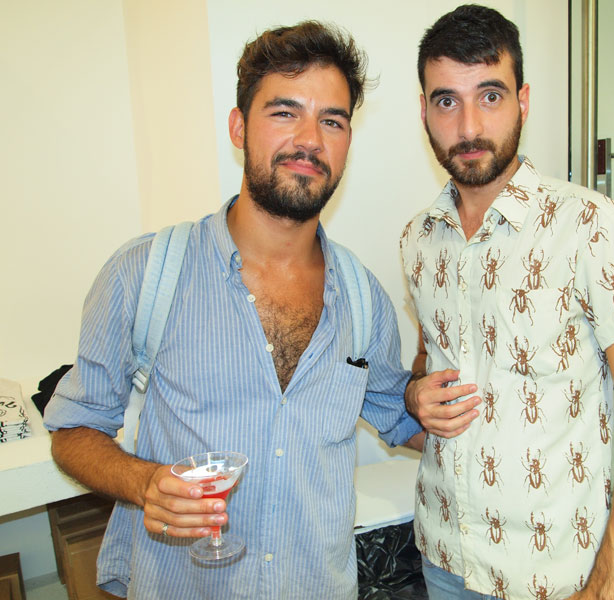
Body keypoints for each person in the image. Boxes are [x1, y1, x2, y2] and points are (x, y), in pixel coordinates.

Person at [44, 21, 423, 600]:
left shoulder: (364, 297)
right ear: (239, 127)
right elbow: (73, 429)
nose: (309, 139)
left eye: (332, 120)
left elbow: (403, 417)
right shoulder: (145, 272)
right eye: (285, 112)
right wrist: (145, 482)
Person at [401, 5, 614, 600]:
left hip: (552, 577)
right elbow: (430, 367)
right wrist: (414, 395)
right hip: (442, 555)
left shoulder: (593, 227)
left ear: (524, 101)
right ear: (424, 111)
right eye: (447, 101)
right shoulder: (418, 239)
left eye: (490, 95)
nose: (469, 126)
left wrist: (605, 588)